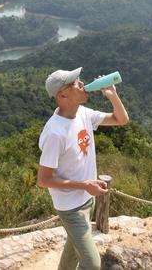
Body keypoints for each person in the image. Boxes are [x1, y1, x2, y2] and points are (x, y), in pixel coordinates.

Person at [37, 67, 129, 270]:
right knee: (92, 264)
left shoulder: (83, 114)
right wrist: (84, 185)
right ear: (62, 95)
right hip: (70, 207)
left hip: (88, 199)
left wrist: (113, 96)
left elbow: (121, 119)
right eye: (74, 83)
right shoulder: (55, 133)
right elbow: (43, 180)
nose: (81, 83)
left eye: (79, 80)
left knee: (72, 252)